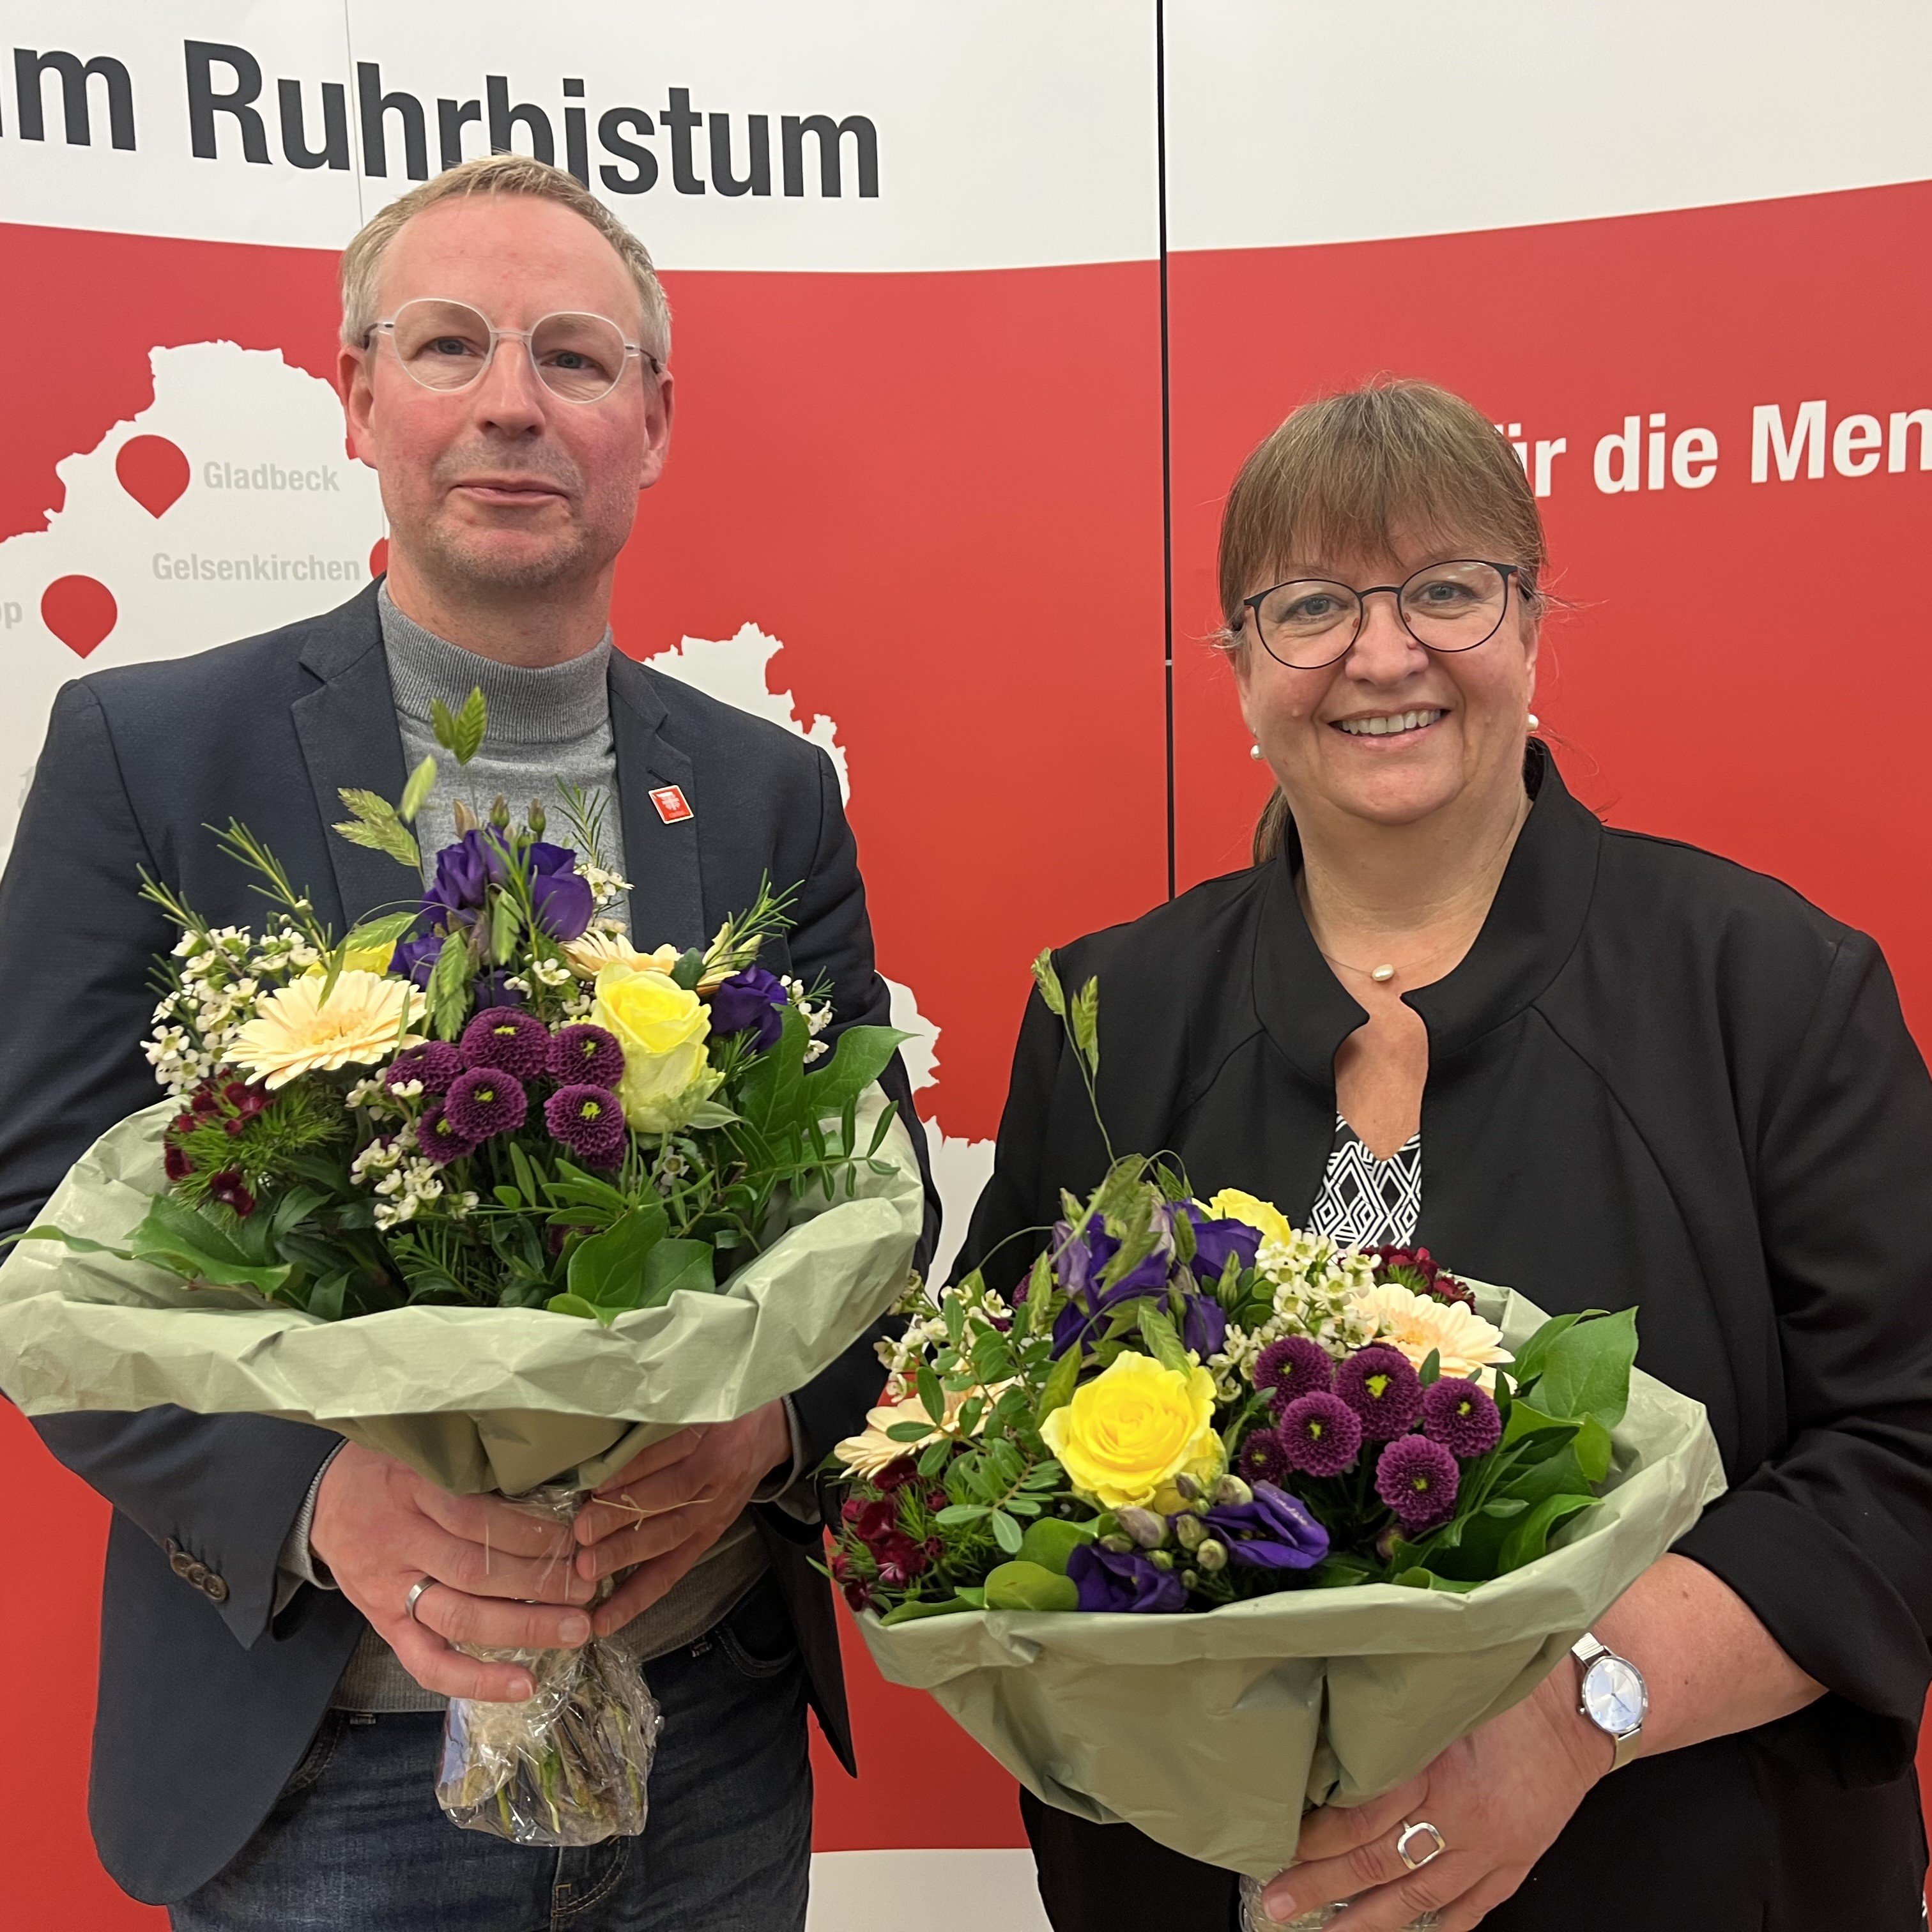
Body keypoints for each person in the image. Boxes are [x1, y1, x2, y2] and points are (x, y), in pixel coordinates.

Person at [0, 154, 933, 1929]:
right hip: (322, 1773)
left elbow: (873, 1198)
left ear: (652, 421)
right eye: (450, 346)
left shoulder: (766, 794)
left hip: (709, 1741)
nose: (513, 404)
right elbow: (32, 1225)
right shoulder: (148, 758)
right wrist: (311, 1496)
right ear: (358, 396)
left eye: (575, 360)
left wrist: (765, 1434)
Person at [960, 378, 1932, 1931]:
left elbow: (1904, 1460)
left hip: (1685, 1874)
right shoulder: (1108, 1012)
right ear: (1238, 669)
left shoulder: (1772, 986)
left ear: (1534, 625)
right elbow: (979, 1441)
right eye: (1312, 604)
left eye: (1448, 590)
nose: (1383, 650)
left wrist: (1571, 1719)